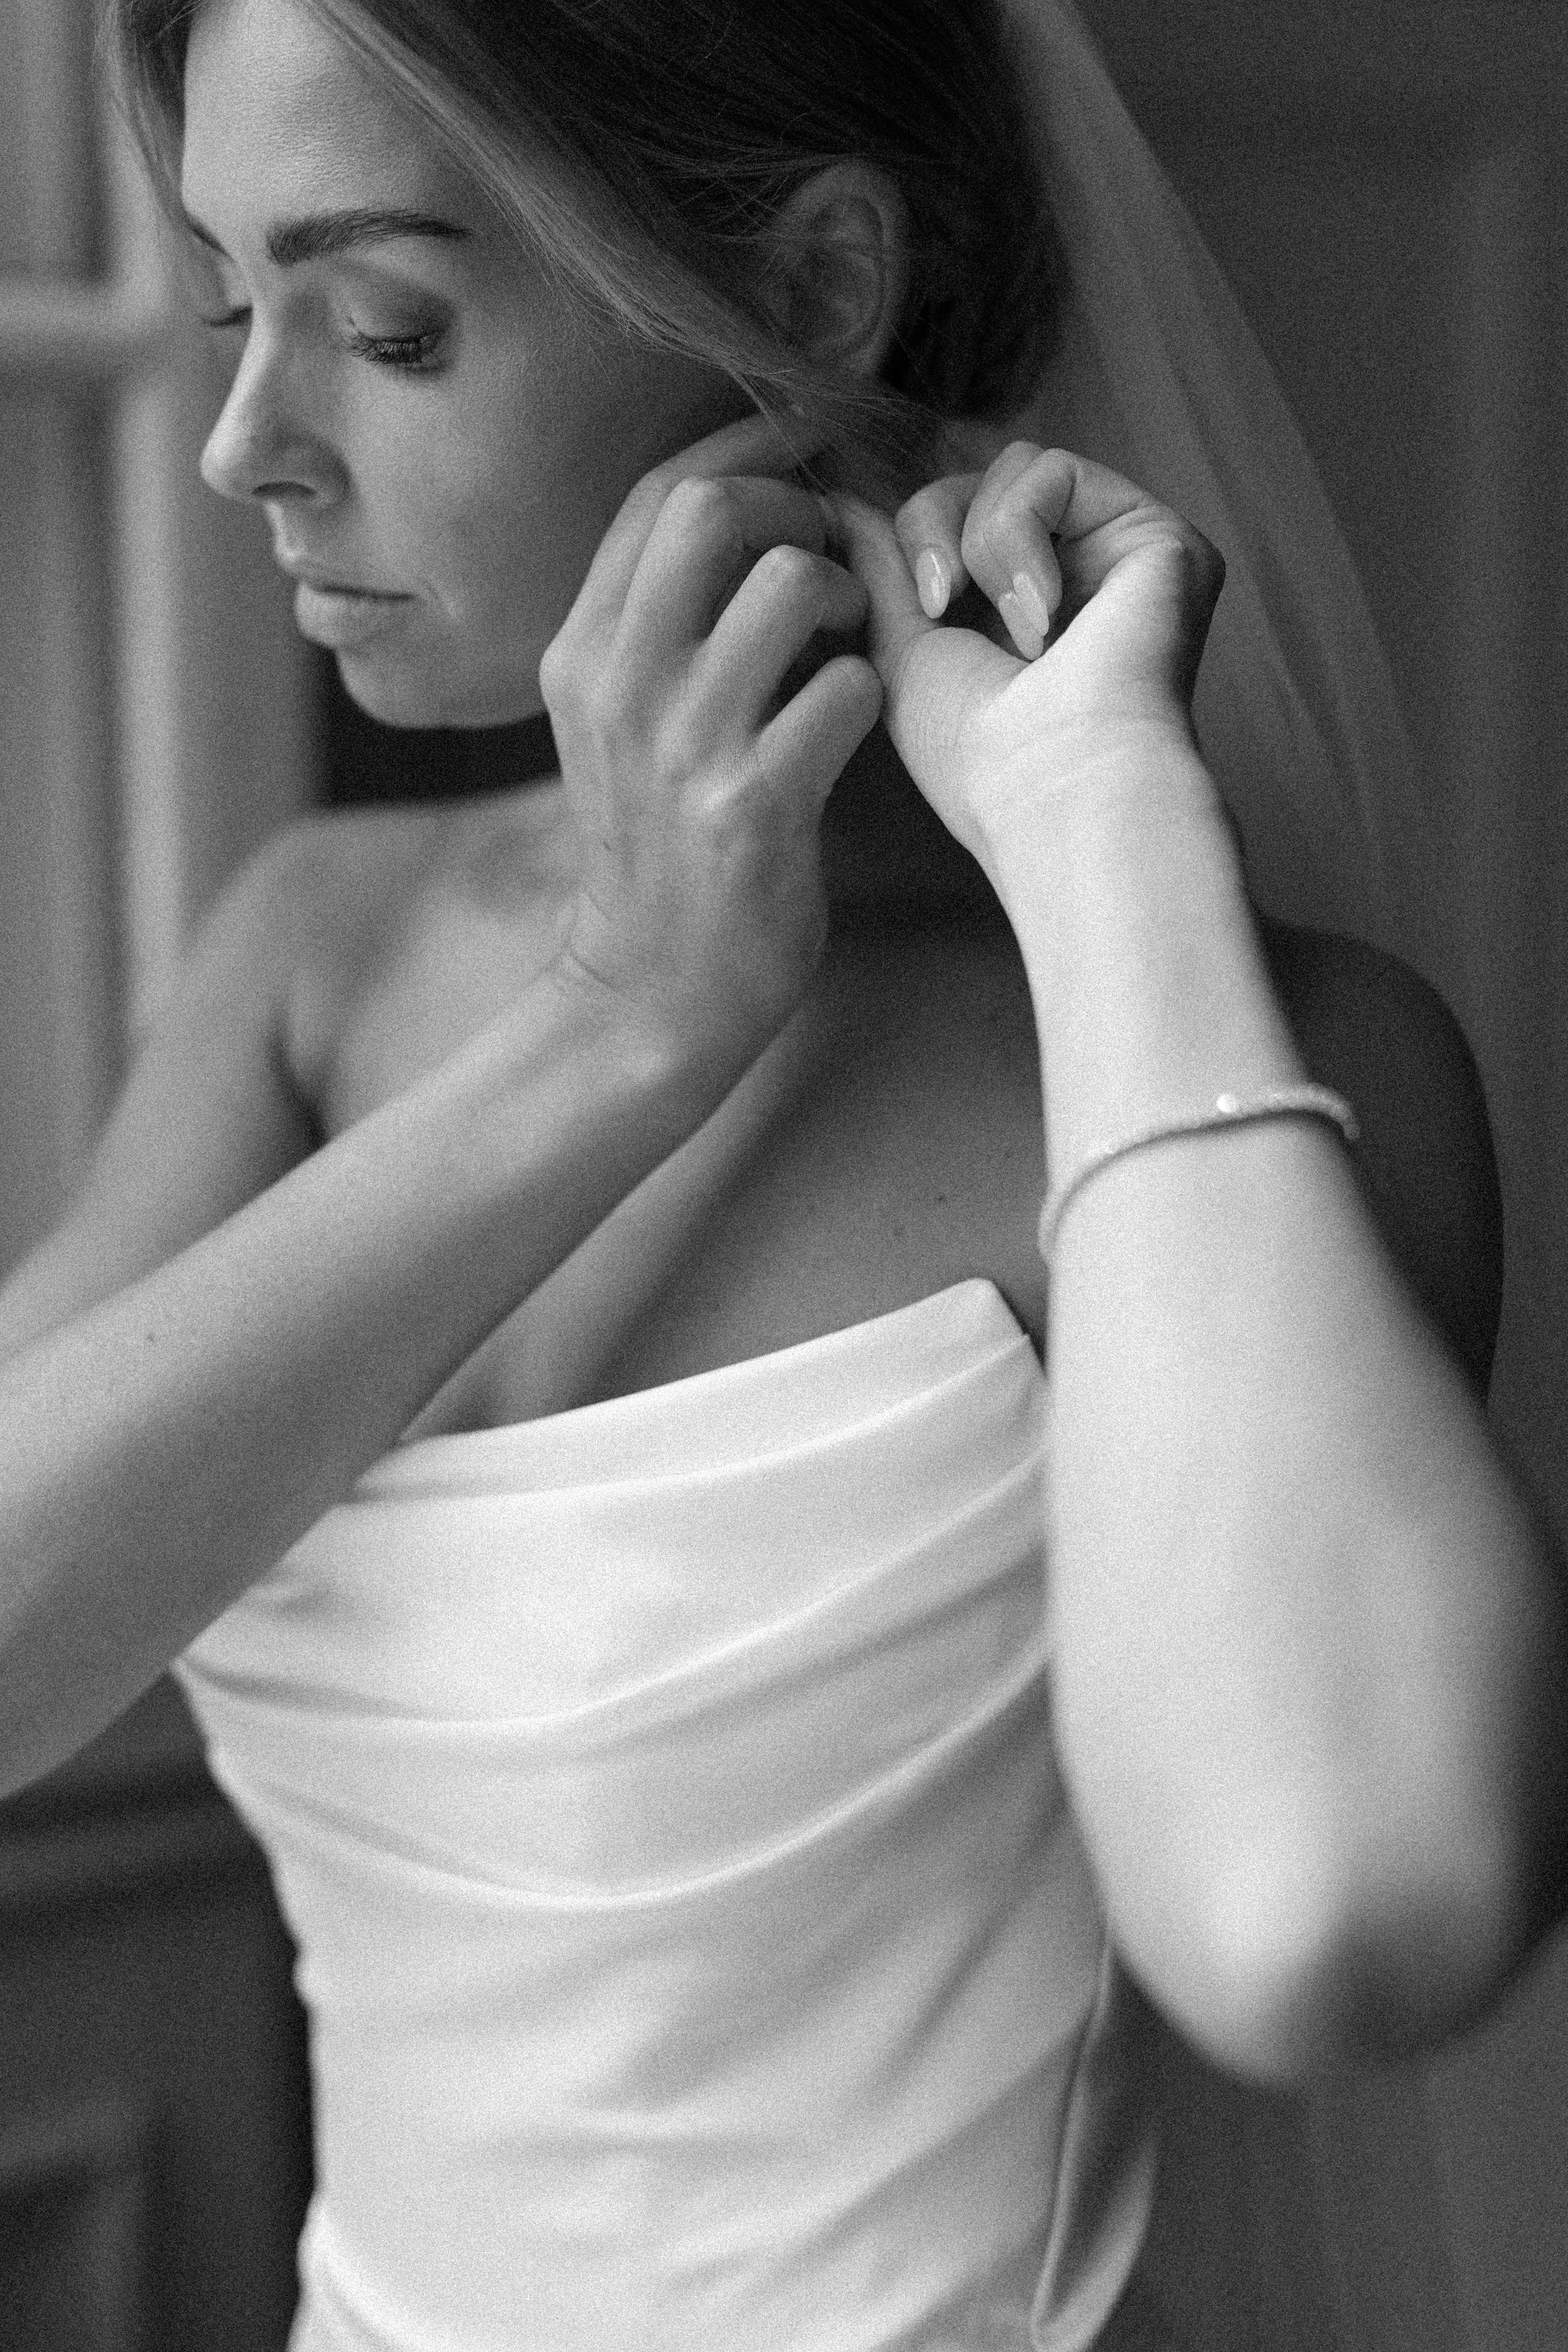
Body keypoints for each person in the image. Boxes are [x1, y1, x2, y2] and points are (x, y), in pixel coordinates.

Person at [2, 0, 1564, 2343]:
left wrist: (1097, 837)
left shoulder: (1270, 1052)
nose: (245, 448)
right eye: (235, 310)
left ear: (818, 287)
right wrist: (626, 1021)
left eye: (387, 327)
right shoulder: (313, 956)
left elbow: (1336, 1915)